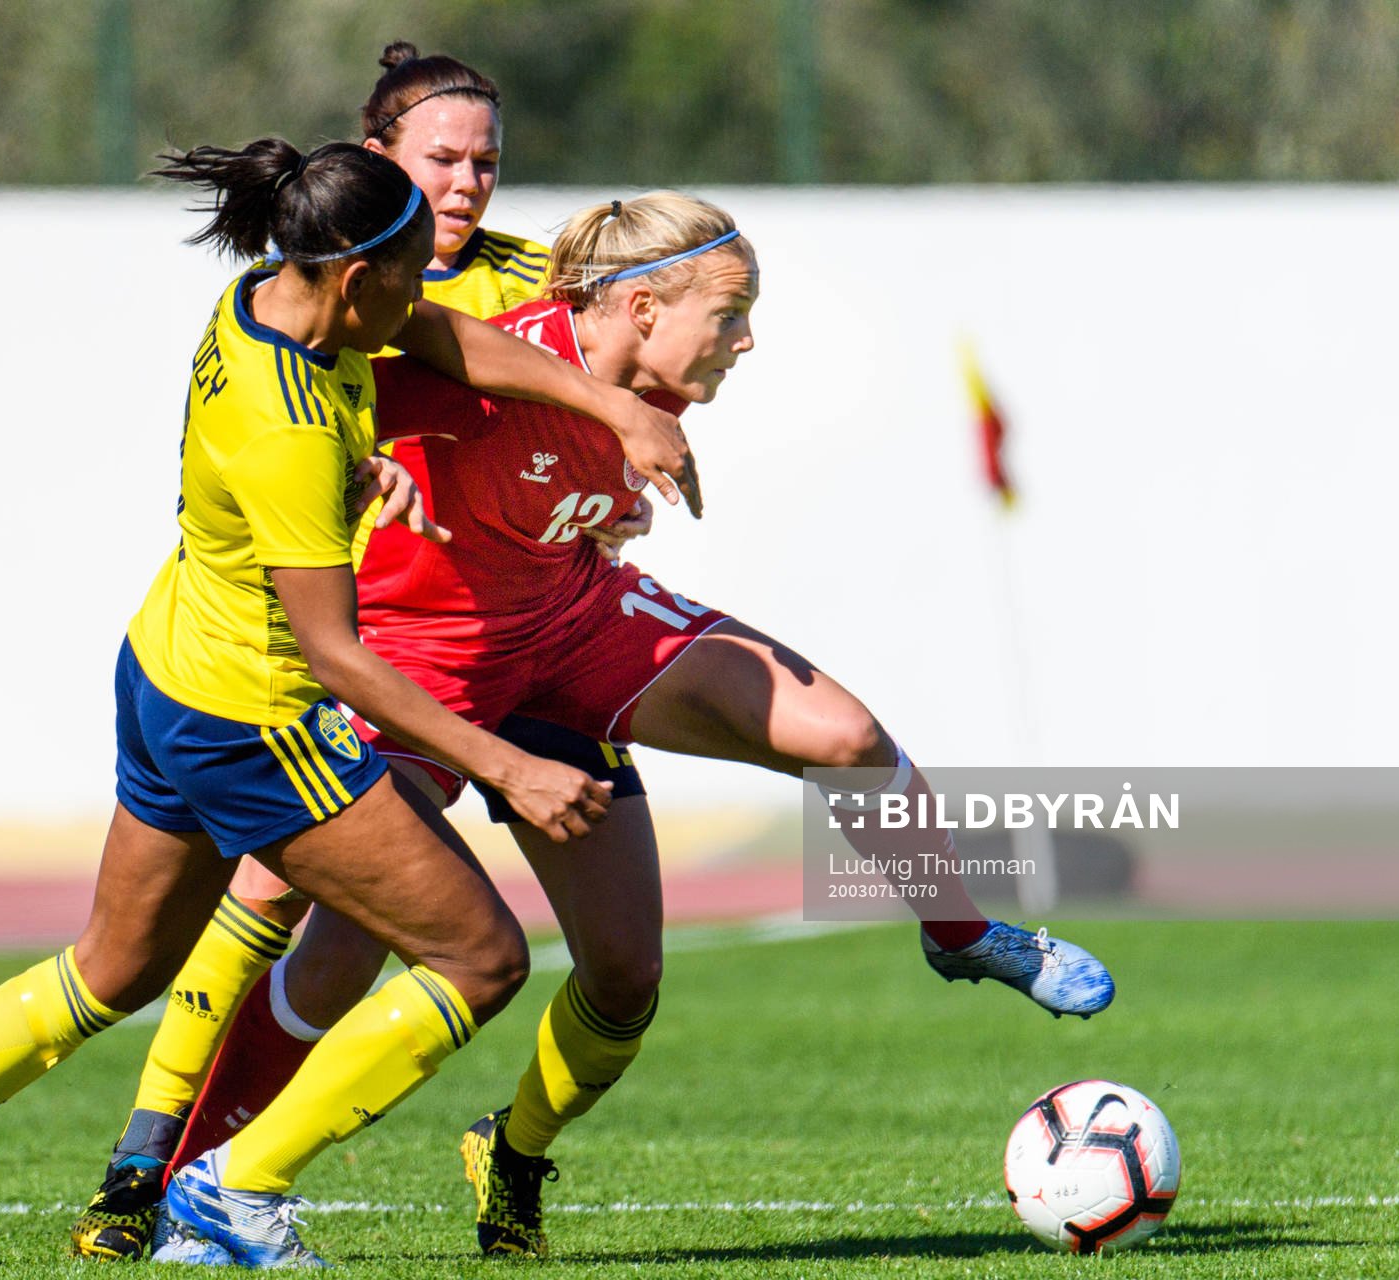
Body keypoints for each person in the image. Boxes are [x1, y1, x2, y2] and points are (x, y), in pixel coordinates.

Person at [0, 136, 703, 1269]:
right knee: (481, 959)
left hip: (167, 669)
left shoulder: (270, 295)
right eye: (411, 275)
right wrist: (509, 766)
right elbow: (338, 657)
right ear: (357, 275)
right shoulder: (294, 425)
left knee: (108, 969)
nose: (425, 298)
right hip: (256, 719)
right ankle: (237, 1189)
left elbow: (440, 339)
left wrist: (611, 409)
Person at [152, 191, 1115, 1265]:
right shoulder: (498, 364)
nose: (746, 338)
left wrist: (603, 489)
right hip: (430, 657)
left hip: (569, 624)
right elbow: (311, 408)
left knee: (741, 847)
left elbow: (552, 480)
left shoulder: (655, 378)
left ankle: (955, 932)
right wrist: (357, 477)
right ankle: (199, 1185)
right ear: (645, 304)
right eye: (732, 310)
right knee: (348, 944)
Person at [66, 41, 653, 1263]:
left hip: (535, 635)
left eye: (488, 160)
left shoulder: (528, 278)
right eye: (443, 157)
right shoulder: (347, 280)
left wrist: (613, 462)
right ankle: (154, 1161)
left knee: (593, 956)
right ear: (374, 159)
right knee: (282, 896)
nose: (470, 182)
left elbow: (604, 382)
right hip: (379, 645)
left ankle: (232, 1177)